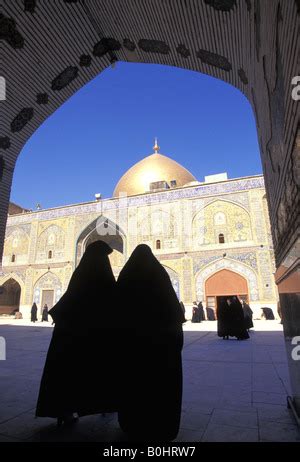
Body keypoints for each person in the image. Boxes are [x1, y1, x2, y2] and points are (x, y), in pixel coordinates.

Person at [36, 240, 119, 425]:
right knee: (98, 369)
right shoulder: (104, 277)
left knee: (67, 372)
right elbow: (113, 304)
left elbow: (70, 298)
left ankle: (63, 411)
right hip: (96, 335)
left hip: (70, 334)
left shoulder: (80, 275)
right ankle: (104, 404)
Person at [116, 244, 185, 441]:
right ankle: (163, 426)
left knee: (134, 387)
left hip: (132, 348)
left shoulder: (126, 276)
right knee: (161, 389)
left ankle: (133, 424)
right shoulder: (160, 276)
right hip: (163, 349)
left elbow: (116, 311)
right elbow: (174, 315)